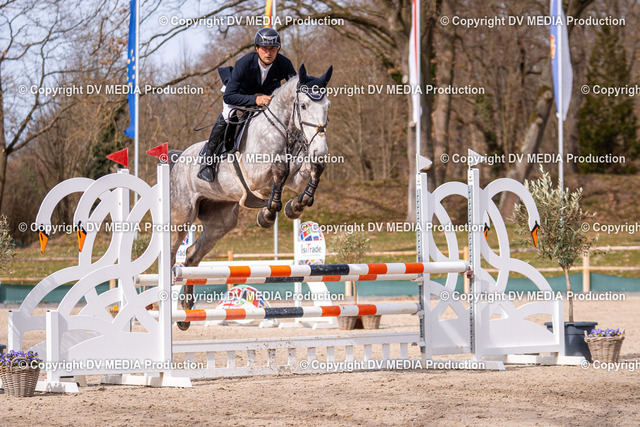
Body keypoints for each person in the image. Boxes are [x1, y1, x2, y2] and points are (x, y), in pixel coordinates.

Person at [198, 27, 297, 182]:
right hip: (239, 93)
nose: (268, 53)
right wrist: (255, 100)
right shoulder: (244, 63)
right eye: (264, 48)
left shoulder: (284, 63)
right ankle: (207, 160)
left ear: (278, 49)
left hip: (267, 94)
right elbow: (229, 96)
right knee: (228, 115)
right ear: (257, 48)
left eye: (273, 48)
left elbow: (295, 88)